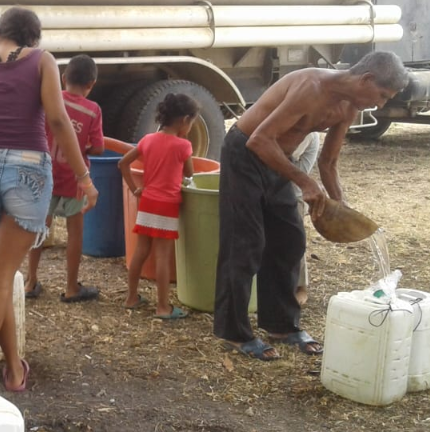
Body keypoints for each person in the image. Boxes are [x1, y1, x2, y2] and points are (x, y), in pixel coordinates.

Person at [0, 7, 99, 394]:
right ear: (34, 37)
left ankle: (13, 368)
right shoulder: (42, 62)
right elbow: (57, 121)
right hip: (28, 170)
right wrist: (84, 177)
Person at [214, 51, 408, 361]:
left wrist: (340, 206)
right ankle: (233, 332)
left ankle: (281, 326)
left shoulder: (349, 107)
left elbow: (328, 161)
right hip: (244, 152)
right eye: (382, 95)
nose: (381, 104)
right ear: (366, 79)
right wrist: (305, 182)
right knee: (246, 243)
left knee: (290, 240)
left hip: (278, 159)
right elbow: (259, 140)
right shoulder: (311, 88)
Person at [25, 55, 105, 302]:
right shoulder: (92, 110)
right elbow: (99, 148)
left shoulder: (50, 99)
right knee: (75, 232)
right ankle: (71, 287)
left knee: (39, 228)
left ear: (63, 78)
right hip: (74, 179)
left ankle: (30, 281)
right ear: (91, 84)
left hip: (45, 176)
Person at [119, 93, 198, 320]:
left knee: (141, 251)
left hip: (147, 202)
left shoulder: (147, 140)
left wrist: (135, 189)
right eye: (191, 123)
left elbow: (122, 163)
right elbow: (190, 174)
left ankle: (131, 297)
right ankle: (163, 307)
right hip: (167, 205)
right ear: (184, 120)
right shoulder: (183, 146)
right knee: (162, 256)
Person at [291, 132, 320, 306]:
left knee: (294, 242)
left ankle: (301, 287)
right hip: (279, 190)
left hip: (293, 193)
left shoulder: (308, 132)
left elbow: (286, 156)